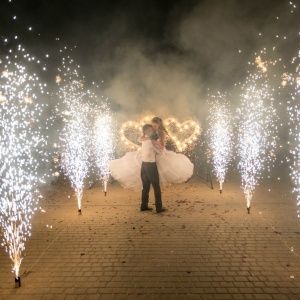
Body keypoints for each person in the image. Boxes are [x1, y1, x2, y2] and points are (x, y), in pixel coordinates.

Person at [109, 116, 194, 190]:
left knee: (159, 172)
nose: (154, 127)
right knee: (136, 164)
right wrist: (149, 139)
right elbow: (140, 139)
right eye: (153, 125)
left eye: (155, 126)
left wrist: (156, 143)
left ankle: (154, 189)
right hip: (150, 152)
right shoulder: (150, 131)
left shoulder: (162, 133)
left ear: (159, 125)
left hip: (159, 152)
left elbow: (162, 147)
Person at [140, 124, 166, 213]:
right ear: (146, 131)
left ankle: (144, 206)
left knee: (145, 187)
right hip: (151, 165)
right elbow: (161, 150)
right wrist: (158, 144)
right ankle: (159, 208)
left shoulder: (143, 139)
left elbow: (140, 139)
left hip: (143, 165)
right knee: (156, 187)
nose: (152, 131)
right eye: (151, 130)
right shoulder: (150, 141)